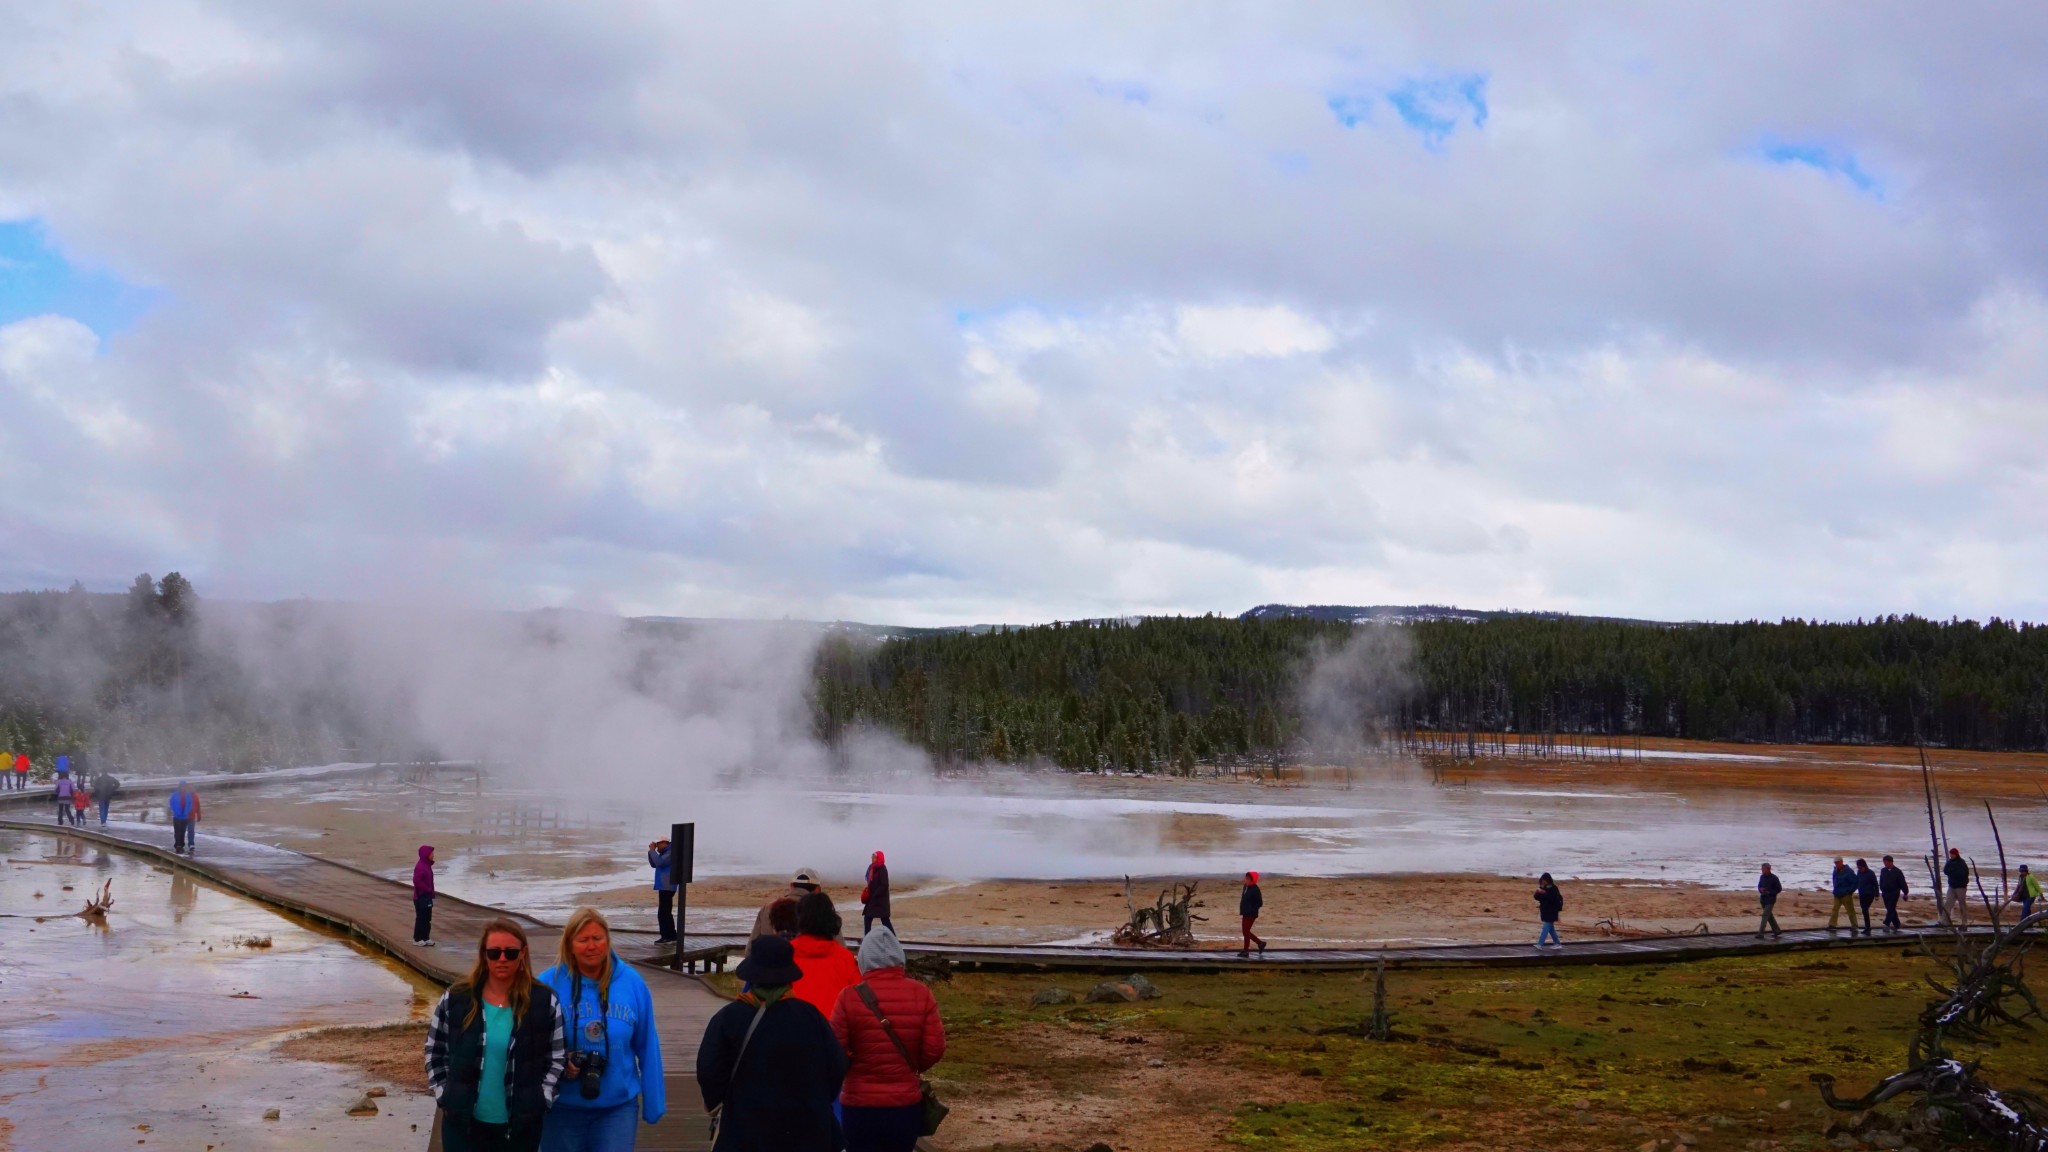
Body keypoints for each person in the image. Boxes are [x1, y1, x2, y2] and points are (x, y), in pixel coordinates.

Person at [426, 918, 569, 1152]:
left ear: (523, 954)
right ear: (484, 954)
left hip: (520, 1128)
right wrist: (445, 1094)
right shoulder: (456, 998)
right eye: (494, 953)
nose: (502, 959)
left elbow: (557, 1058)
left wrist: (541, 1099)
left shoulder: (545, 1002)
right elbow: (434, 1050)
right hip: (463, 1126)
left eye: (510, 953)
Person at [697, 934, 846, 1151]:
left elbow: (708, 1071)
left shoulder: (728, 1018)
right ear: (789, 977)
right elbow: (838, 1065)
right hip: (806, 1133)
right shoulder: (810, 1017)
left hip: (744, 1132)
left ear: (752, 976)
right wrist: (815, 1099)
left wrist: (721, 1102)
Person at [538, 908, 664, 1151]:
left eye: (597, 938)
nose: (591, 946)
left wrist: (654, 1100)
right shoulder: (548, 984)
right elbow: (530, 1046)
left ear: (608, 941)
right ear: (570, 944)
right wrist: (563, 1062)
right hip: (560, 1108)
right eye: (583, 940)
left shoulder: (631, 983)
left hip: (617, 1108)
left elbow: (647, 1045)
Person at [831, 925, 945, 1152]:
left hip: (859, 1103)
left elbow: (834, 1051)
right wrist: (910, 1066)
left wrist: (855, 1069)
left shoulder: (848, 997)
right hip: (905, 1104)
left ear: (863, 959)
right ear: (899, 957)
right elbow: (935, 1047)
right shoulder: (921, 993)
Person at [790, 891, 861, 1019]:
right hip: (833, 1032)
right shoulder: (845, 958)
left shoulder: (785, 954)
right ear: (831, 919)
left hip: (793, 1031)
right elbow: (858, 1002)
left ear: (800, 919)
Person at [751, 868, 824, 941]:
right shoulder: (824, 912)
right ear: (817, 889)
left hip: (773, 951)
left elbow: (752, 944)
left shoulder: (767, 909)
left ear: (791, 886)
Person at [648, 839, 677, 944]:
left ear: (664, 842)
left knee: (663, 912)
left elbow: (659, 862)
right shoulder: (666, 852)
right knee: (665, 912)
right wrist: (650, 851)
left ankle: (667, 936)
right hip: (664, 885)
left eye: (658, 844)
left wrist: (652, 850)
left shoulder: (670, 852)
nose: (657, 846)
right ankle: (671, 935)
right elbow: (654, 864)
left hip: (667, 885)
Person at [861, 851, 892, 937]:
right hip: (873, 899)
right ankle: (867, 938)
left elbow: (884, 884)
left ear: (879, 858)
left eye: (874, 857)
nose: (872, 858)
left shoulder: (882, 869)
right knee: (867, 918)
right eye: (872, 857)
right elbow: (869, 880)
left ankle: (893, 938)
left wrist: (875, 894)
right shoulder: (872, 868)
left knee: (884, 920)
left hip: (880, 900)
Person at [1238, 871, 1266, 958]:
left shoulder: (1255, 889)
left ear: (1252, 880)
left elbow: (1260, 903)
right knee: (1244, 932)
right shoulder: (1245, 887)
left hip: (1251, 914)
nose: (1245, 880)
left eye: (1247, 879)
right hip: (1245, 912)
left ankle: (1260, 943)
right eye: (1245, 878)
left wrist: (1251, 909)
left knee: (1246, 931)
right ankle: (1246, 951)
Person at [414, 845, 438, 947]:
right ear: (426, 855)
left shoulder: (427, 865)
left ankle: (426, 937)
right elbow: (416, 881)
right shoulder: (420, 866)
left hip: (427, 896)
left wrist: (431, 892)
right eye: (431, 853)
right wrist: (427, 889)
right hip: (420, 897)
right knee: (421, 918)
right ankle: (417, 939)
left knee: (428, 918)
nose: (433, 855)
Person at [1879, 855, 1909, 932]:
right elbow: (1881, 881)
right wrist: (1881, 889)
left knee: (1891, 908)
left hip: (1894, 893)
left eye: (1886, 862)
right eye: (1884, 862)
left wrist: (1905, 893)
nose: (1885, 864)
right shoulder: (1883, 870)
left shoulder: (1898, 872)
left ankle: (1886, 924)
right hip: (1885, 893)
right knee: (1890, 909)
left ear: (1891, 862)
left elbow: (1902, 883)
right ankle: (1897, 924)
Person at [167, 781, 199, 853]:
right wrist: (175, 811)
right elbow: (171, 803)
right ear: (179, 786)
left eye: (184, 786)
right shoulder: (175, 795)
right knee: (177, 831)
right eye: (181, 786)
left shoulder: (188, 795)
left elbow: (190, 804)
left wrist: (187, 812)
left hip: (185, 816)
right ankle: (178, 845)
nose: (183, 787)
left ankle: (182, 844)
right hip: (177, 816)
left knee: (183, 831)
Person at [1827, 858, 1858, 931]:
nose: (1836, 864)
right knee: (1835, 909)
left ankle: (1854, 925)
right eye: (1835, 863)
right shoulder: (1835, 871)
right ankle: (1832, 924)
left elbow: (1855, 882)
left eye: (1837, 863)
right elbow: (1834, 881)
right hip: (1837, 894)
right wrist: (1835, 890)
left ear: (1841, 862)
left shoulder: (1849, 871)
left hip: (1846, 895)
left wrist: (1850, 891)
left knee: (1850, 910)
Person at [1534, 873, 1564, 947]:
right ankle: (1557, 943)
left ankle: (1540, 944)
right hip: (1544, 910)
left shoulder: (1554, 888)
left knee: (1546, 927)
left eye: (1544, 880)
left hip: (1552, 911)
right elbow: (1537, 897)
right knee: (1551, 929)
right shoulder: (1542, 887)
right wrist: (1538, 892)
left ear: (1548, 880)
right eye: (1542, 881)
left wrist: (1545, 893)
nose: (1543, 882)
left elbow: (1553, 899)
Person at [1943, 848, 1970, 927]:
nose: (1951, 855)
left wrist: (1952, 872)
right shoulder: (1949, 862)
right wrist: (1952, 872)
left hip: (1961, 887)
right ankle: (1944, 921)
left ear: (1956, 854)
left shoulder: (1961, 863)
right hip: (1952, 886)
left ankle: (1964, 922)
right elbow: (1945, 871)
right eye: (1950, 854)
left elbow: (1961, 874)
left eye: (1952, 854)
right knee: (1948, 904)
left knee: (1962, 905)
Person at [1755, 863, 1783, 938]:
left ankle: (1760, 934)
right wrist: (1761, 889)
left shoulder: (1774, 878)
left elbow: (1779, 888)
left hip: (1770, 899)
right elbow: (1759, 886)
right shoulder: (1762, 877)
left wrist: (1770, 892)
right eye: (1761, 869)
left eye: (1763, 869)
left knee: (1765, 915)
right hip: (1763, 898)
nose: (1762, 870)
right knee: (1769, 915)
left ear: (1768, 869)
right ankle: (1777, 930)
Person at [1853, 859, 1879, 936]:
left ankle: (1867, 927)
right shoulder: (1859, 872)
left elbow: (1876, 884)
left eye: (1860, 867)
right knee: (1864, 910)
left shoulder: (1871, 873)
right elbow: (1857, 881)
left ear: (1864, 866)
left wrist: (1877, 895)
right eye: (1858, 868)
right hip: (1862, 894)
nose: (1859, 869)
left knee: (1864, 909)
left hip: (1869, 894)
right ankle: (1867, 927)